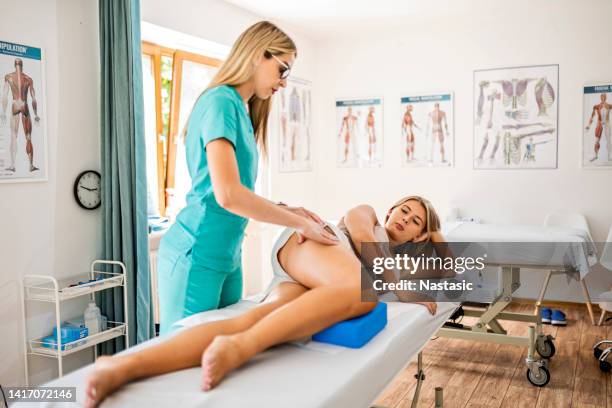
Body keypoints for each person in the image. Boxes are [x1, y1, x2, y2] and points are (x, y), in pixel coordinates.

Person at [84, 196, 446, 407]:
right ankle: (242, 348)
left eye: (416, 222)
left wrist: (437, 234)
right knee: (361, 290)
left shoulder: (402, 261)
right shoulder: (366, 214)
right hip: (315, 243)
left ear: (419, 235)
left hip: (311, 277)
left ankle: (122, 368)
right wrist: (400, 288)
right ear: (390, 209)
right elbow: (364, 242)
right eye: (404, 210)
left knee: (258, 318)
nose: (405, 219)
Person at [157, 21, 339, 335]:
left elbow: (237, 192)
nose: (284, 83)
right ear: (258, 54)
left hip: (228, 256)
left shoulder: (240, 108)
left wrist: (290, 210)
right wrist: (296, 223)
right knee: (182, 359)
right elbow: (227, 195)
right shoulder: (220, 101)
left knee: (226, 349)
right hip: (196, 253)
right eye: (283, 70)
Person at [0, 58, 40, 172]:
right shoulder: (28, 79)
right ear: (22, 65)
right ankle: (31, 165)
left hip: (15, 106)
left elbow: (4, 96)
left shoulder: (9, 77)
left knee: (14, 136)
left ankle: (13, 165)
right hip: (25, 105)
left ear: (14, 65)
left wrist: (3, 112)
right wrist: (36, 114)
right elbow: (33, 99)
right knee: (28, 137)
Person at [586, 93, 612, 162]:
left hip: (607, 123)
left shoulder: (609, 106)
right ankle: (595, 154)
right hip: (599, 123)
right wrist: (589, 125)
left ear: (606, 98)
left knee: (608, 139)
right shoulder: (597, 106)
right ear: (600, 98)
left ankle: (610, 155)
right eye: (602, 97)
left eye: (604, 97)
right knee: (597, 140)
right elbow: (592, 116)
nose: (603, 98)